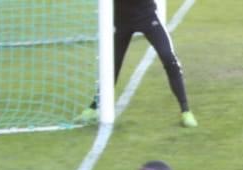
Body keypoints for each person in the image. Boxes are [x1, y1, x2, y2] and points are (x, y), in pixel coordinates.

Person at [80, 0, 197, 128]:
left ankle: (185, 110)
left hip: (147, 16)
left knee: (169, 58)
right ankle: (95, 106)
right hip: (121, 19)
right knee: (112, 64)